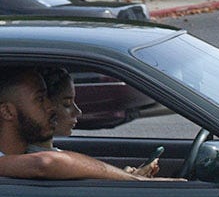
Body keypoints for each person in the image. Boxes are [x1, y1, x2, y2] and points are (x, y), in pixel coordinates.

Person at [0, 66, 170, 180]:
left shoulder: (27, 153)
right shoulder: (28, 160)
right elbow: (45, 163)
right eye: (40, 99)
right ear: (7, 112)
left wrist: (121, 176)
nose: (51, 106)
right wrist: (133, 179)